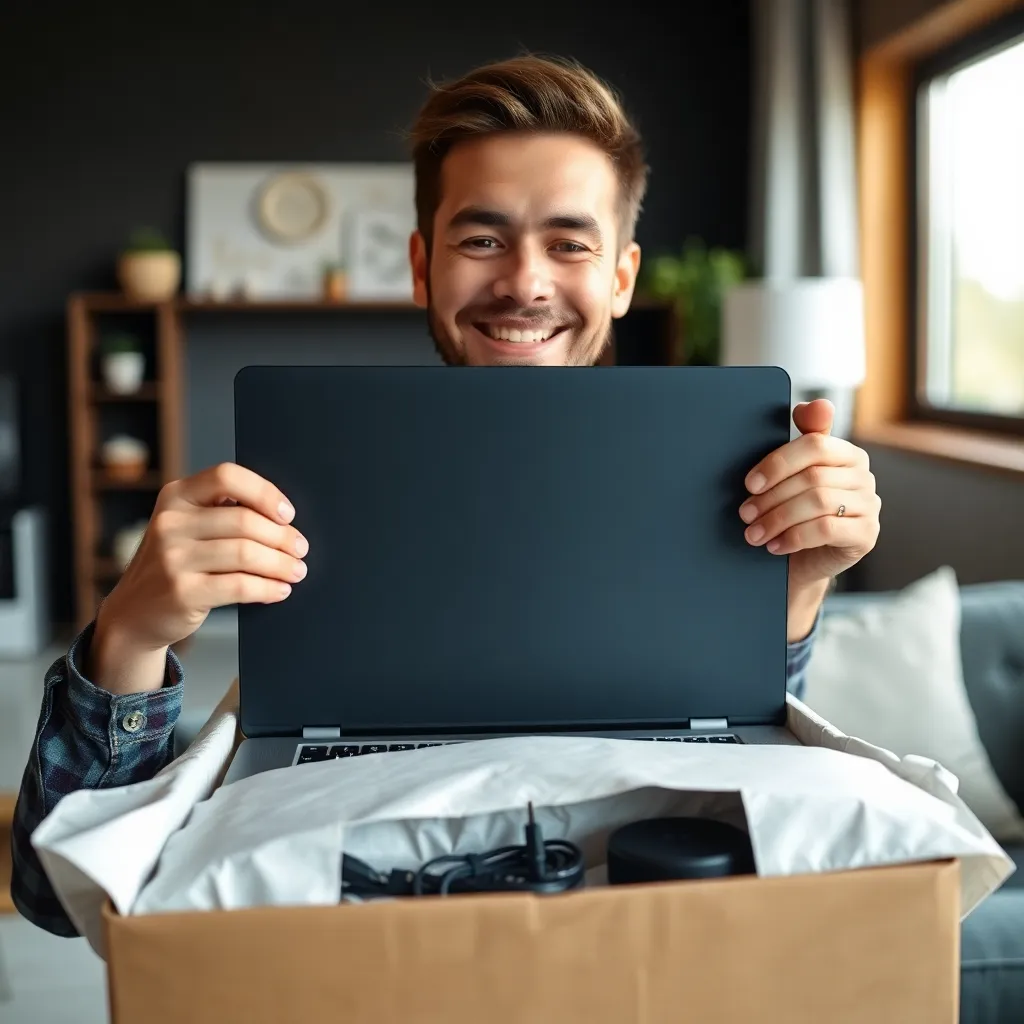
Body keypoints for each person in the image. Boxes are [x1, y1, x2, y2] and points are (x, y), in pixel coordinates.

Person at [11, 54, 881, 937]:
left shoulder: (718, 482)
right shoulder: (305, 483)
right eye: (482, 238)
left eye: (570, 243)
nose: (525, 281)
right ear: (423, 266)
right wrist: (130, 634)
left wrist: (795, 584)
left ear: (620, 276)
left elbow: (756, 768)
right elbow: (58, 901)